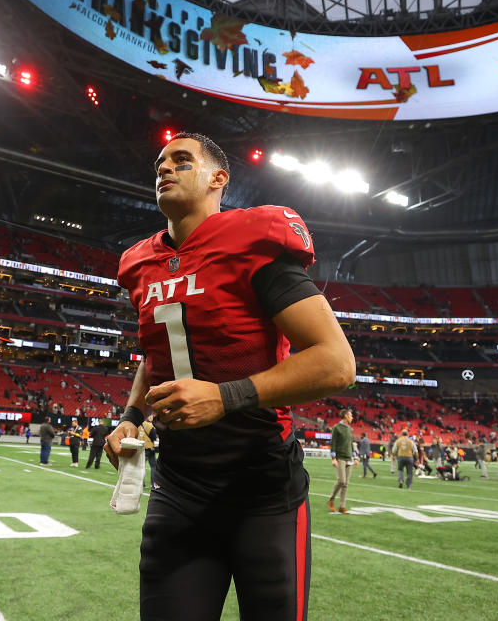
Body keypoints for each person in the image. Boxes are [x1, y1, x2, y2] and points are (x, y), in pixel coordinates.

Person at [105, 132, 355, 620]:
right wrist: (133, 414)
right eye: (160, 163)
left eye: (181, 160)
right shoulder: (139, 264)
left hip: (261, 488)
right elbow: (156, 352)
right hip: (178, 486)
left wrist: (225, 397)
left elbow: (335, 361)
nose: (165, 169)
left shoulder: (252, 240)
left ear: (219, 179)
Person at [328, 409, 358, 513]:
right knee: (341, 481)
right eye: (351, 415)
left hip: (349, 458)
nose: (352, 417)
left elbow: (351, 444)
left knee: (346, 484)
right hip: (340, 457)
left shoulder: (350, 429)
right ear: (345, 416)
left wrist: (355, 457)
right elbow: (333, 443)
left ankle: (342, 506)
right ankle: (331, 500)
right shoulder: (337, 427)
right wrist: (333, 458)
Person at [138, 414, 158, 487]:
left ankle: (141, 483)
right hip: (149, 448)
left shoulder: (139, 425)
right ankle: (153, 483)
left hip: (141, 447)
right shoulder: (150, 426)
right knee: (154, 466)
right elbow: (154, 438)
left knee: (141, 467)